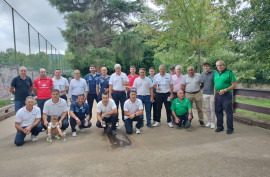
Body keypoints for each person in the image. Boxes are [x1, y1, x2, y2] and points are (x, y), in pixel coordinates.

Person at [214, 60, 237, 134]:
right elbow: (215, 85)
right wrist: (214, 96)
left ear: (224, 65)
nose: (219, 67)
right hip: (218, 95)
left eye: (220, 65)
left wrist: (225, 90)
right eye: (217, 66)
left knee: (228, 112)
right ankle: (220, 127)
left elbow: (234, 85)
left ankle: (230, 128)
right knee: (218, 111)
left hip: (226, 95)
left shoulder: (230, 73)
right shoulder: (216, 74)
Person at [201, 62, 216, 129]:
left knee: (212, 108)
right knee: (207, 108)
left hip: (212, 94)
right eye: (204, 67)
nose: (206, 68)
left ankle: (212, 122)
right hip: (205, 93)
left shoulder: (214, 72)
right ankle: (209, 121)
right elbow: (202, 84)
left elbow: (216, 84)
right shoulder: (202, 74)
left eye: (207, 66)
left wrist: (215, 95)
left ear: (209, 66)